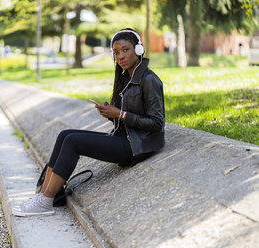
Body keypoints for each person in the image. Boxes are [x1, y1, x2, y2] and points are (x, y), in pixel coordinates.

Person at [12, 28, 165, 217]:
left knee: (73, 142)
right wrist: (110, 113)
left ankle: (45, 202)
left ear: (138, 50)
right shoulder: (126, 77)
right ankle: (46, 194)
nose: (120, 56)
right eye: (116, 52)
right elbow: (125, 116)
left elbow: (157, 123)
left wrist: (120, 114)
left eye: (125, 50)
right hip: (123, 138)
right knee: (64, 134)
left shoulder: (149, 79)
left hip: (136, 147)